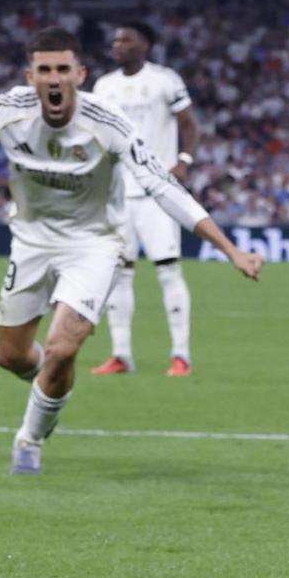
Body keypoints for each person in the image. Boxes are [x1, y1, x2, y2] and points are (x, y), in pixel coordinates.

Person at [0, 27, 263, 476]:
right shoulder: (5, 111)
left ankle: (30, 438)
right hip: (32, 241)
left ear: (79, 74)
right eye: (44, 70)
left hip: (94, 243)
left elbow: (162, 186)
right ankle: (52, 387)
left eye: (62, 70)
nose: (53, 79)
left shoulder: (109, 122)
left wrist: (229, 249)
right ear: (30, 76)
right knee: (12, 357)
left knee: (62, 348)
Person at [89, 21, 201, 376]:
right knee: (118, 274)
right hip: (117, 193)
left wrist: (184, 161)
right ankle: (121, 354)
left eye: (126, 39)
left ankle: (180, 355)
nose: (117, 45)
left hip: (155, 191)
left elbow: (189, 124)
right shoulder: (103, 86)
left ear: (145, 45)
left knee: (168, 270)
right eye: (116, 40)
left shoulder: (165, 80)